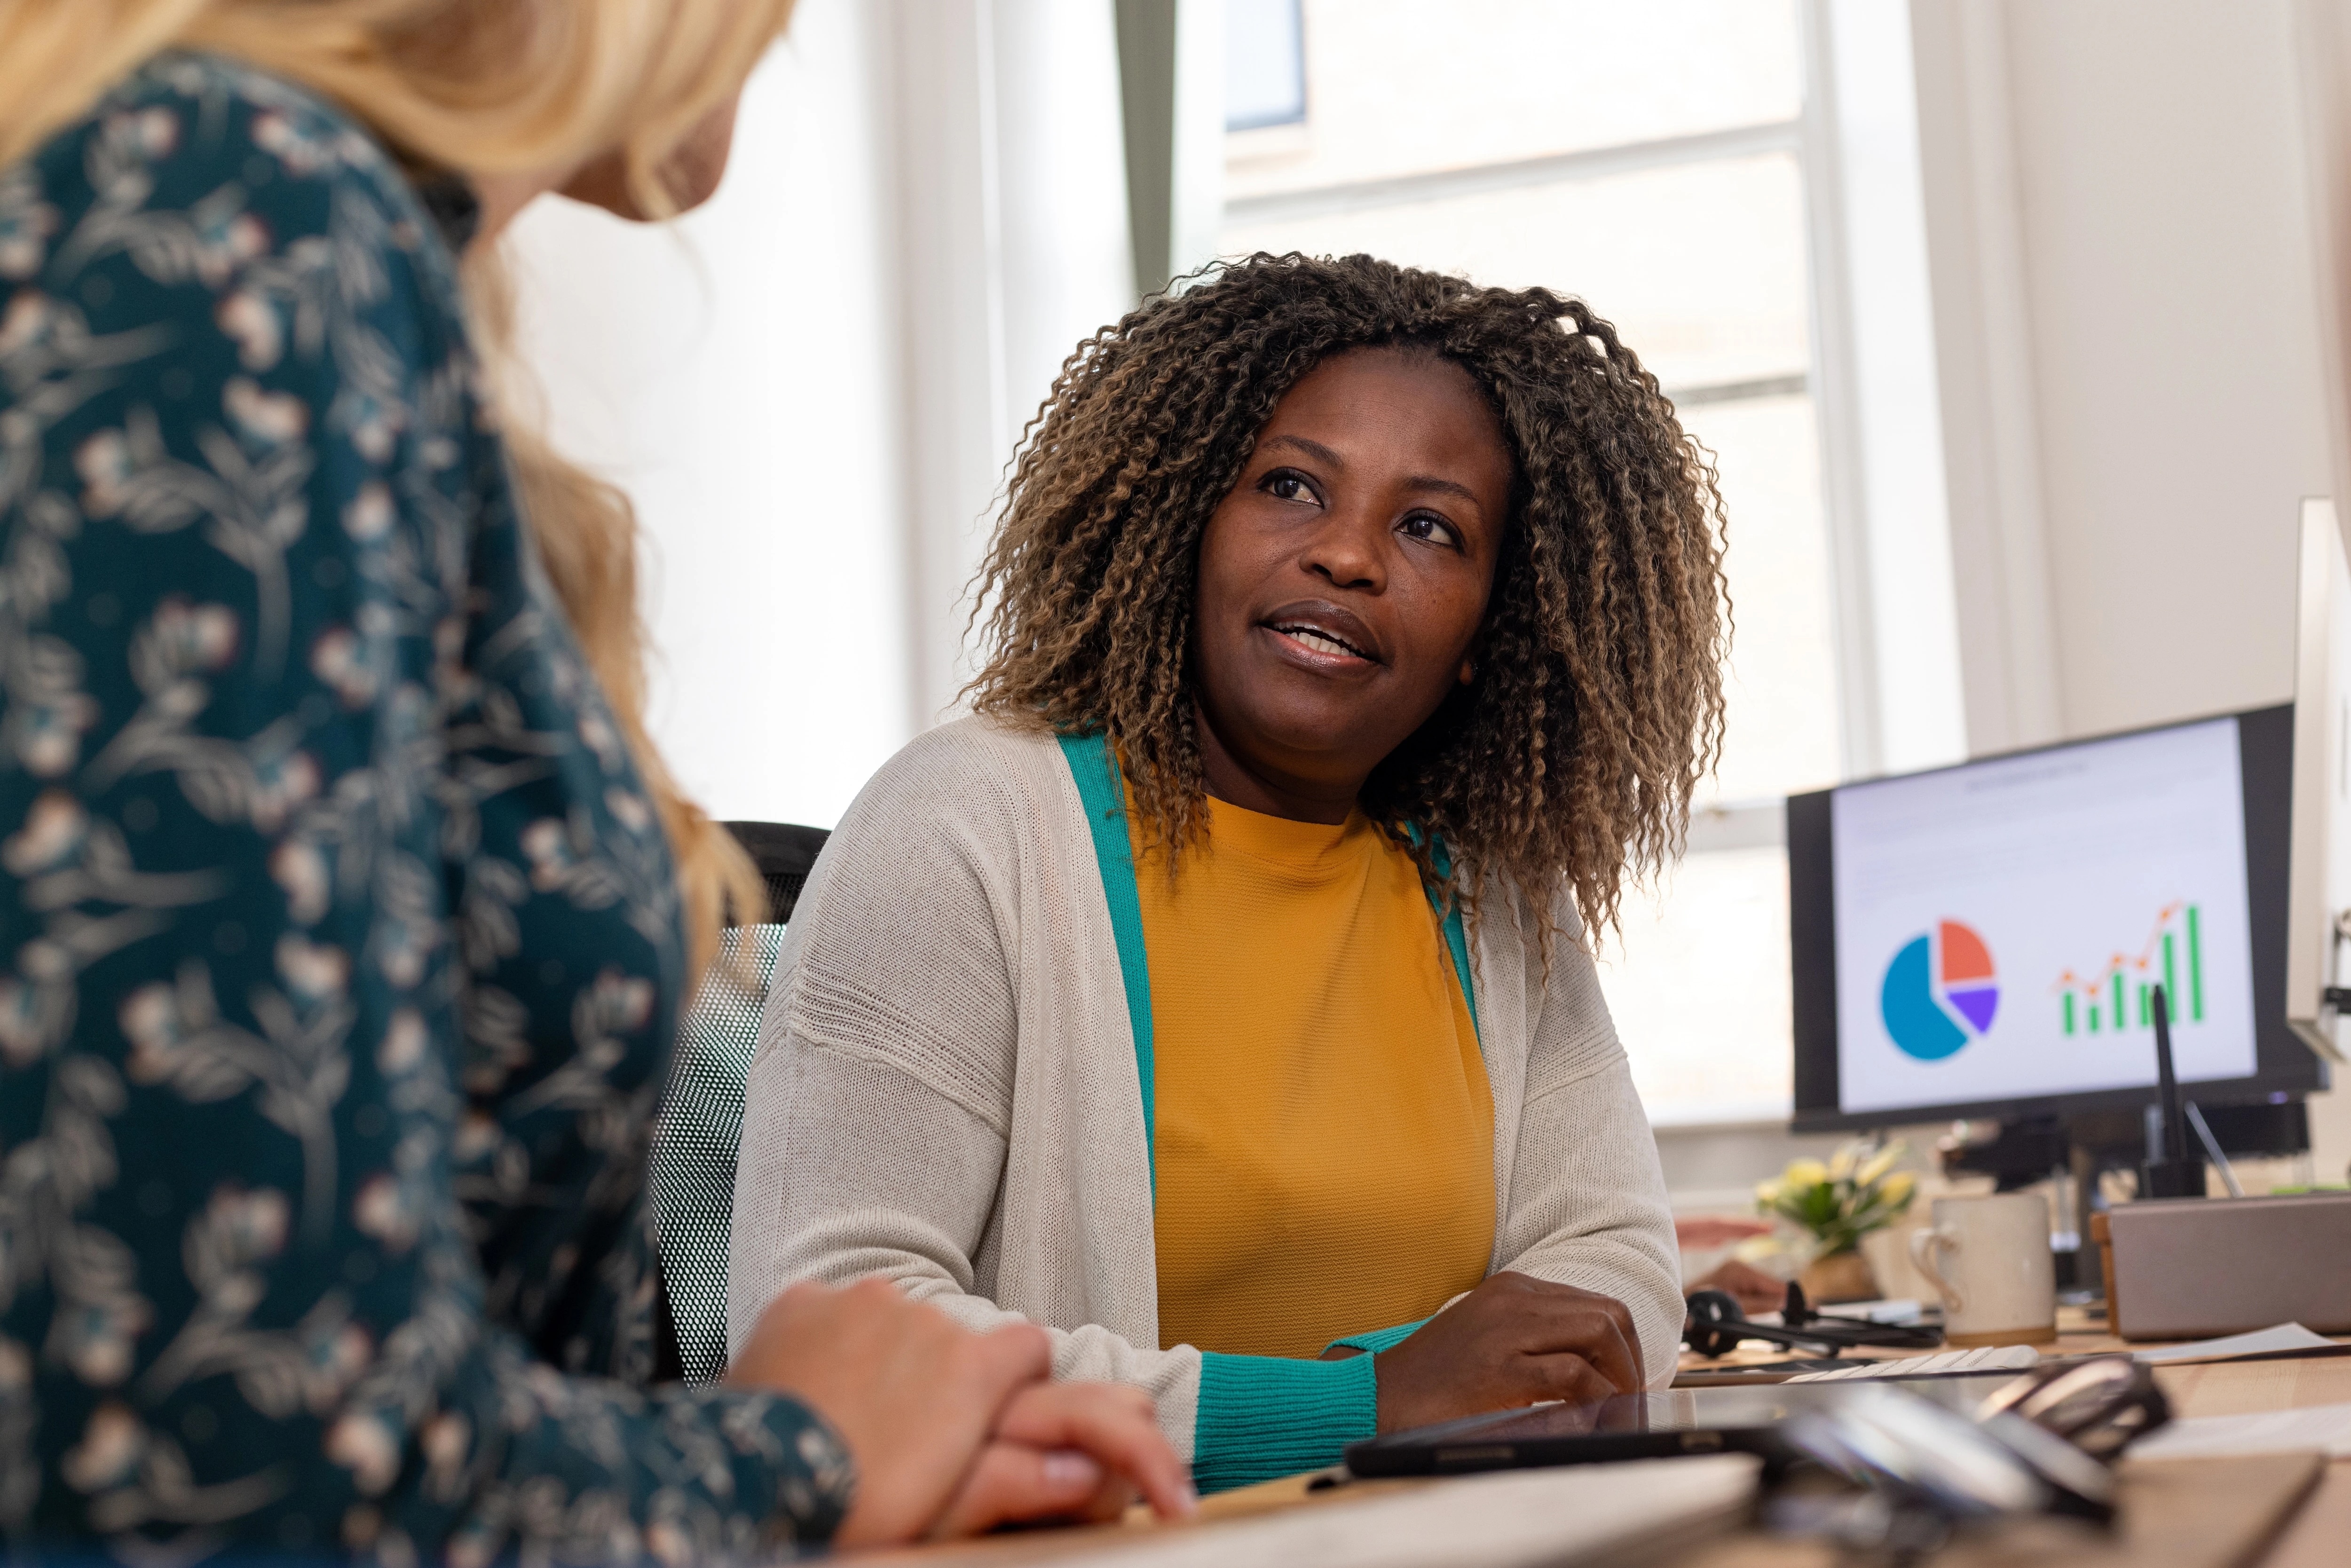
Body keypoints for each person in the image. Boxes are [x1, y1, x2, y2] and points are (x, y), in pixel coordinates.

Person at [0, 1, 1188, 1556]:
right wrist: (789, 1459)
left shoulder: (278, 250)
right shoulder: (240, 215)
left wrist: (820, 1460)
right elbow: (238, 1447)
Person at [730, 253, 1730, 1492]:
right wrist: (1367, 1403)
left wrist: (1420, 1401)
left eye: (1429, 527)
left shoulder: (1491, 895)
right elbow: (832, 1325)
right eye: (1292, 487)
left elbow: (1616, 1259)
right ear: (1187, 529)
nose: (1349, 557)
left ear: (1490, 631)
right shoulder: (966, 822)